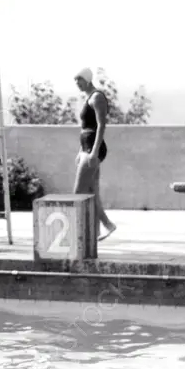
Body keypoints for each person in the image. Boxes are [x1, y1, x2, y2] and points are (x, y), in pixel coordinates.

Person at [73, 68, 116, 240]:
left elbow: (101, 126)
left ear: (88, 80)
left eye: (80, 81)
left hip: (93, 149)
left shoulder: (97, 97)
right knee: (92, 191)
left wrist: (94, 152)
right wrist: (80, 150)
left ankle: (101, 226)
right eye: (76, 81)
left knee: (78, 192)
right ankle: (101, 228)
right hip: (86, 148)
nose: (78, 84)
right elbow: (86, 128)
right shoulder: (88, 98)